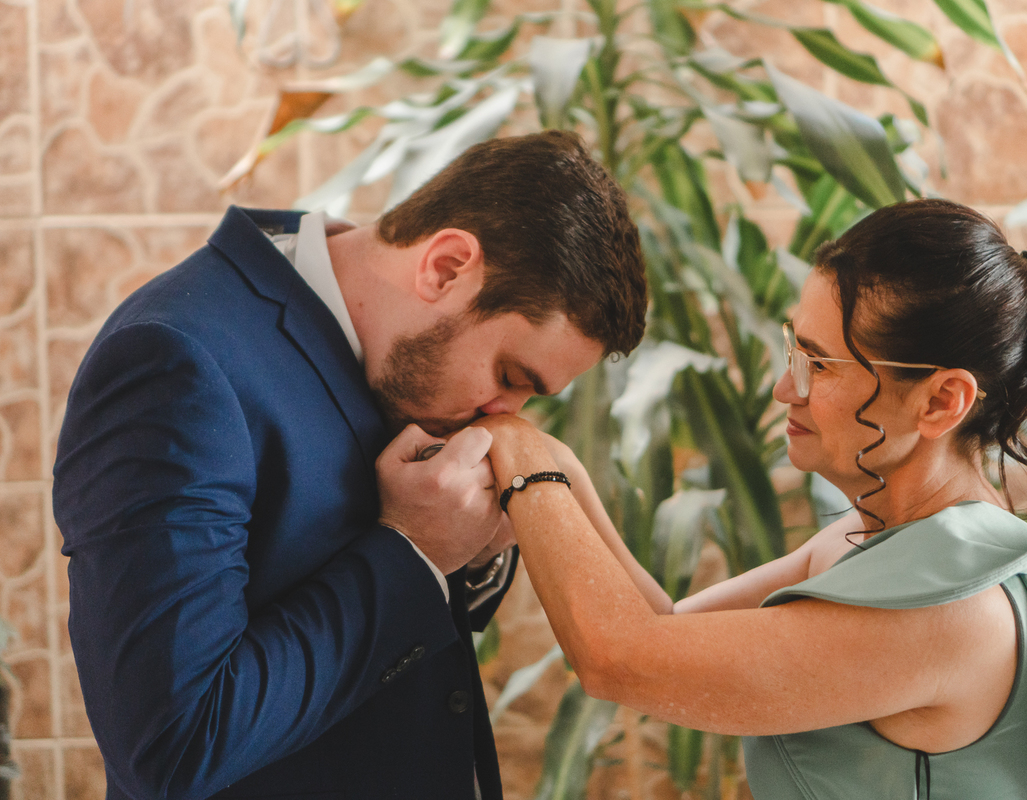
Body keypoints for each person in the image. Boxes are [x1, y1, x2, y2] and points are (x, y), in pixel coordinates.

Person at [475, 198, 1027, 800]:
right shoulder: (879, 540)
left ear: (941, 401)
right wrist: (561, 466)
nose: (785, 388)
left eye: (820, 364)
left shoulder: (951, 611)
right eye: (794, 349)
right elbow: (662, 628)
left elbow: (617, 661)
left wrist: (518, 450)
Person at [52, 130, 647, 800]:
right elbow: (174, 744)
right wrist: (416, 552)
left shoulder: (398, 359)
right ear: (446, 267)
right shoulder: (172, 361)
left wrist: (472, 552)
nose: (503, 415)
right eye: (509, 376)